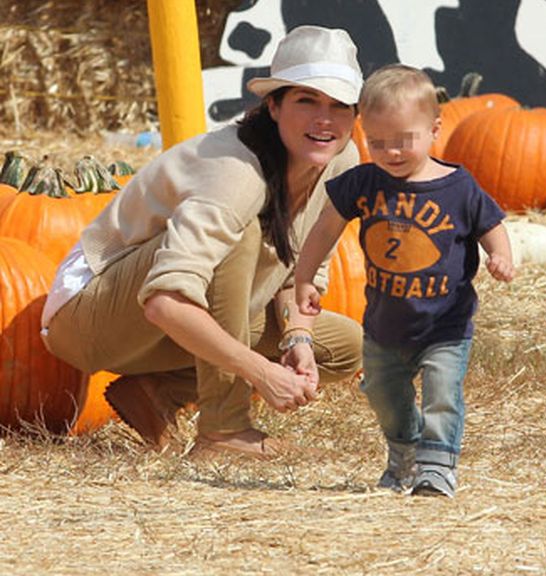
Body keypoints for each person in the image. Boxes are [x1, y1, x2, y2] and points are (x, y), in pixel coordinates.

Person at [39, 26, 365, 458]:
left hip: (170, 324)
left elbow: (300, 274)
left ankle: (157, 392)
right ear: (273, 105)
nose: (325, 119)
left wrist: (298, 339)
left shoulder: (341, 163)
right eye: (307, 100)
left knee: (346, 346)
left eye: (339, 105)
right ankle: (223, 430)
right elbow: (164, 300)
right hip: (90, 318)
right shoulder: (235, 173)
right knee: (241, 235)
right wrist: (261, 373)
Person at [294, 64, 515, 497]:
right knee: (383, 396)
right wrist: (305, 278)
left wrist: (500, 255)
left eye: (402, 141)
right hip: (383, 327)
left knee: (441, 397)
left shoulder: (458, 187)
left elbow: (491, 224)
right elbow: (324, 228)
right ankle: (404, 454)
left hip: (444, 327)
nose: (391, 152)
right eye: (377, 142)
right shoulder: (364, 182)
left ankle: (436, 469)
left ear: (434, 129)